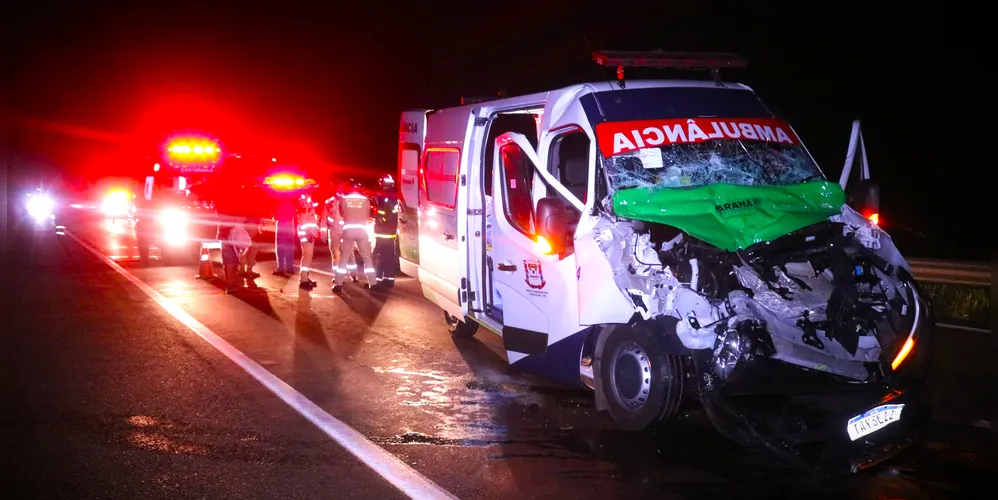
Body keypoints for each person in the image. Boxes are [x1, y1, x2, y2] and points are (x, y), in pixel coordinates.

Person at [333, 180, 376, 292]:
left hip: (348, 231)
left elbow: (342, 214)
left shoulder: (343, 200)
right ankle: (372, 283)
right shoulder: (365, 200)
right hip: (362, 230)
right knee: (367, 257)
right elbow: (367, 214)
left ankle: (338, 284)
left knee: (344, 257)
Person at [321, 182, 358, 283]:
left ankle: (353, 274)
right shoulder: (329, 202)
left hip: (346, 230)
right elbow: (324, 218)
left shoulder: (347, 201)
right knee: (335, 254)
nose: (340, 191)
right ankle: (338, 275)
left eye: (341, 188)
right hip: (334, 231)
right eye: (338, 188)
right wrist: (323, 233)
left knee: (349, 252)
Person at [372, 174, 400, 289]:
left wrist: (379, 219)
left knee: (380, 256)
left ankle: (377, 281)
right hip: (391, 231)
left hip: (383, 231)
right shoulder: (394, 196)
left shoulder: (385, 197)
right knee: (389, 257)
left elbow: (383, 213)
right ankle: (389, 280)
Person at [221, 216, 251, 293]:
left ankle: (232, 283)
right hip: (228, 236)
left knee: (233, 261)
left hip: (232, 236)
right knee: (230, 262)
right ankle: (230, 285)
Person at [297, 194, 320, 290]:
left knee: (308, 257)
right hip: (307, 235)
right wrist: (307, 234)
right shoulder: (304, 204)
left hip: (309, 234)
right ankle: (303, 280)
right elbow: (302, 221)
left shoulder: (308, 203)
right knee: (307, 256)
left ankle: (305, 277)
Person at [274, 197, 297, 276]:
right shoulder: (292, 205)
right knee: (289, 250)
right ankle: (290, 268)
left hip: (281, 227)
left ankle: (280, 268)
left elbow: (276, 217)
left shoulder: (280, 205)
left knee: (280, 250)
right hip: (289, 228)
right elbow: (294, 215)